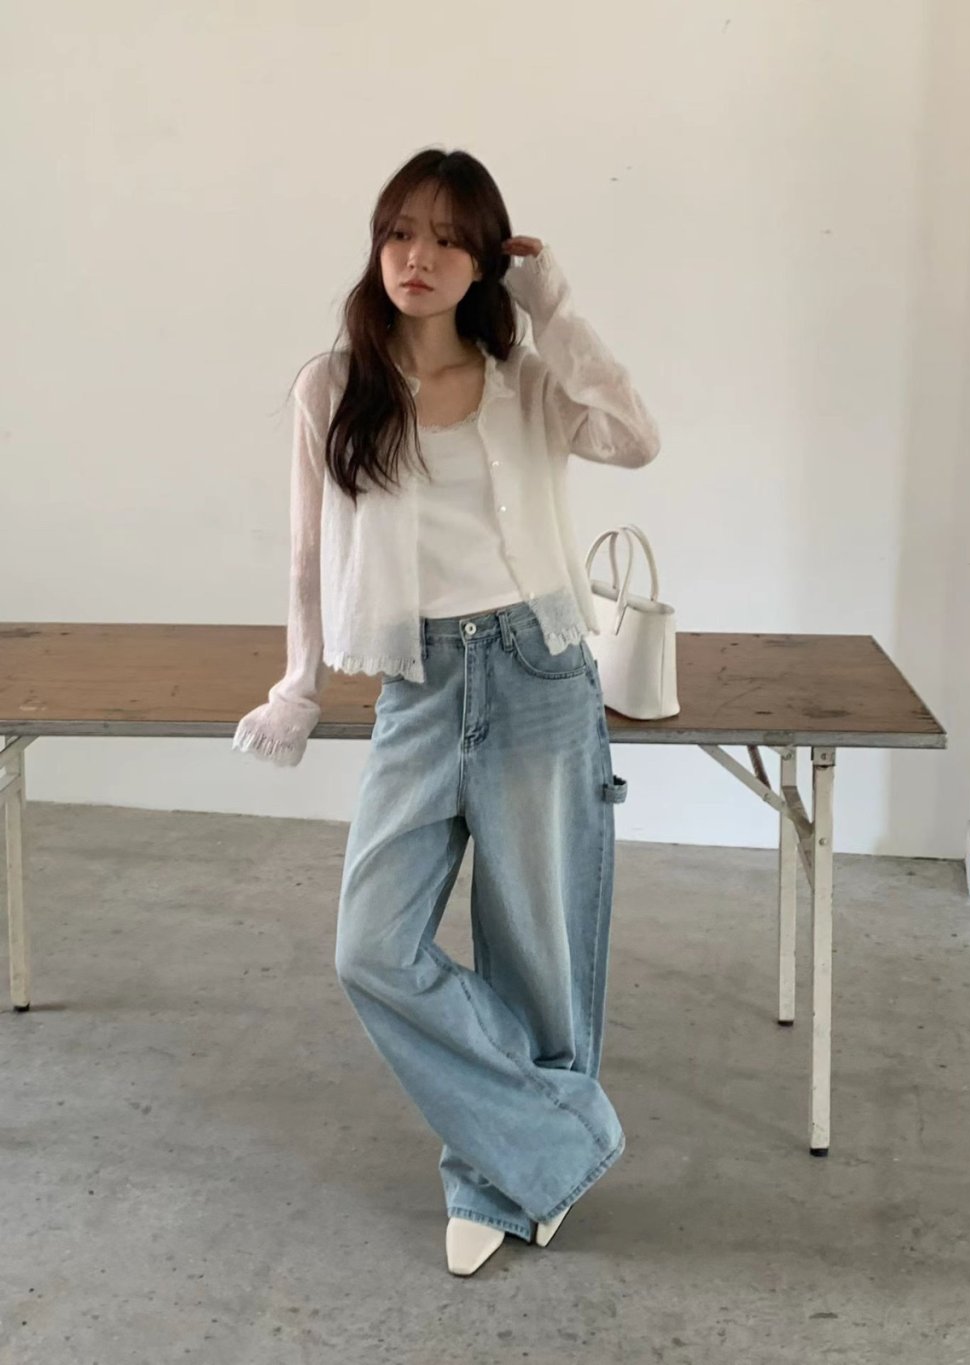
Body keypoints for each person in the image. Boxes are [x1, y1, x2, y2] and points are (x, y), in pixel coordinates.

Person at [232, 147, 660, 1275]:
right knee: (371, 946)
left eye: (446, 238)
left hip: (536, 671)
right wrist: (299, 684)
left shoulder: (529, 382)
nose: (416, 256)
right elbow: (307, 554)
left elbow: (636, 437)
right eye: (398, 231)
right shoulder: (333, 386)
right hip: (417, 687)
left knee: (537, 949)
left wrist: (555, 310)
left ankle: (498, 1174)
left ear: (485, 262)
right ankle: (561, 1143)